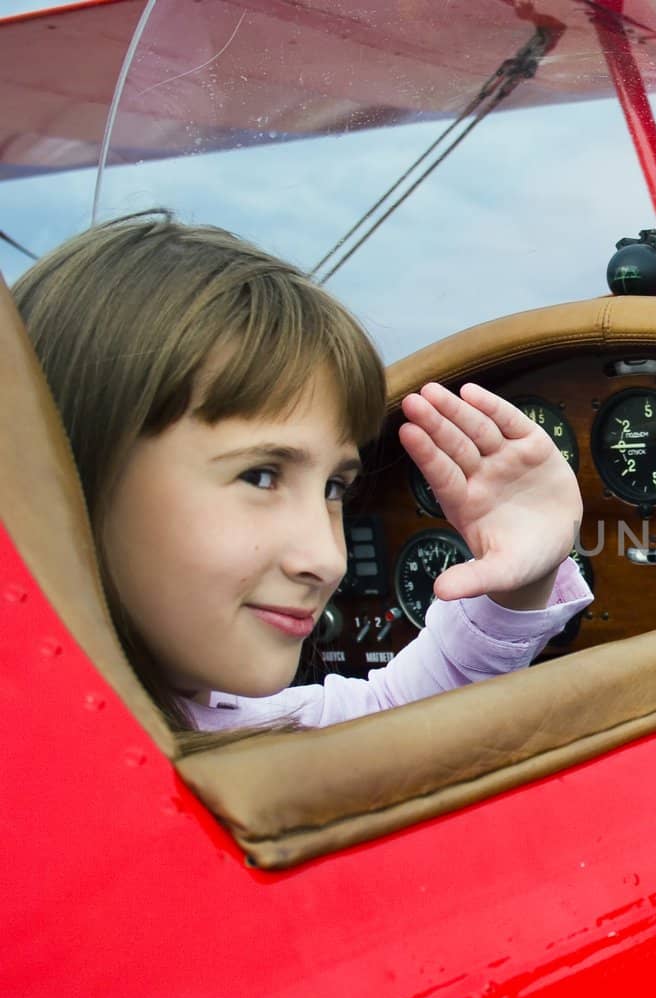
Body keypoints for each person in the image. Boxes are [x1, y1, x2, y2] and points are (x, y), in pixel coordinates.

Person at [13, 211, 591, 734]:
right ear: (67, 483)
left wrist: (518, 580)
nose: (327, 560)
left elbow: (396, 715)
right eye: (261, 477)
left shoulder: (211, 725)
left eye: (334, 488)